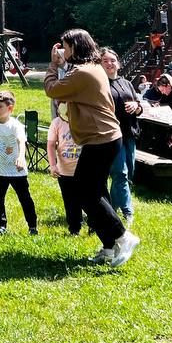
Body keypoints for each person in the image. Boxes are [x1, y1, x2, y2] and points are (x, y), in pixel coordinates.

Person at [43, 29, 139, 266]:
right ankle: (108, 247)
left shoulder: (83, 73)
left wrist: (53, 66)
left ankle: (123, 237)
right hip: (103, 137)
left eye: (66, 47)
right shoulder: (92, 67)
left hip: (101, 139)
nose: (63, 52)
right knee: (96, 192)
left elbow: (52, 90)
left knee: (85, 193)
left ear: (76, 47)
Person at [99, 47, 142, 226]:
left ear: (119, 63)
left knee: (127, 173)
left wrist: (136, 106)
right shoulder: (99, 85)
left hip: (129, 132)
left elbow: (139, 106)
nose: (110, 63)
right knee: (120, 173)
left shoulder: (126, 83)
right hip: (111, 136)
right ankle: (127, 212)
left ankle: (111, 211)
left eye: (112, 60)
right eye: (105, 61)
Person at [0, 90, 37, 236]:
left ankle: (32, 226)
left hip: (17, 170)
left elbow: (22, 141)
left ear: (10, 108)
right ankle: (1, 225)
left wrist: (21, 157)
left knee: (24, 198)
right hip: (0, 169)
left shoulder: (15, 126)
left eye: (0, 107)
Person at [46, 104, 83, 235]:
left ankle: (94, 226)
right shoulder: (57, 123)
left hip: (83, 169)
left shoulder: (85, 121)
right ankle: (74, 228)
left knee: (87, 199)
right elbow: (50, 145)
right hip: (64, 170)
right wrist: (53, 165)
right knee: (70, 201)